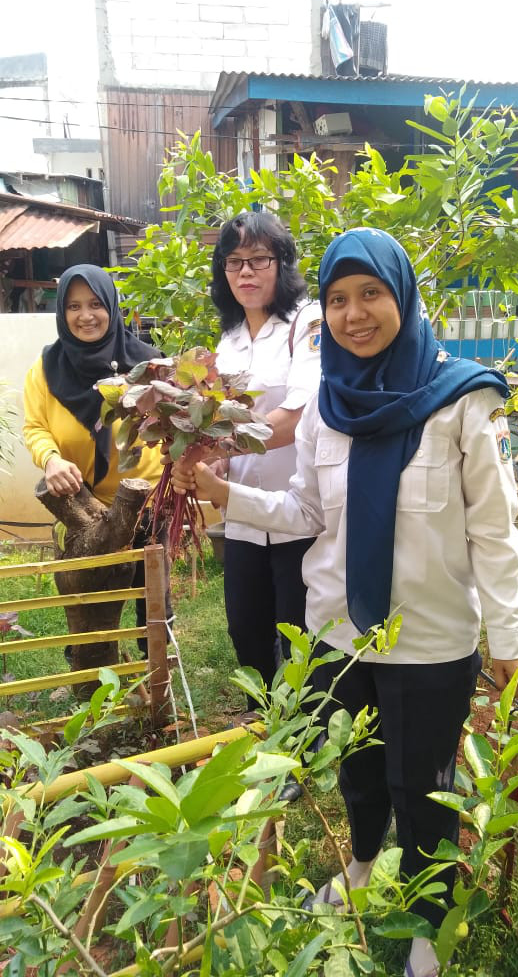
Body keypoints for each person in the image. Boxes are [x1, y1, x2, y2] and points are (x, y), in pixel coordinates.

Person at [172, 228, 518, 977]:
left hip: (431, 642)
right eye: (336, 299)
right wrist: (224, 493)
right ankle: (363, 865)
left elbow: (494, 535)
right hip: (337, 633)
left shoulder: (465, 401)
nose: (353, 313)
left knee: (424, 790)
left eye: (370, 293)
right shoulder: (325, 408)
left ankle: (427, 927)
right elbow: (307, 512)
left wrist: (511, 636)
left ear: (400, 295)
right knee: (360, 771)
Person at [178, 212, 321, 720]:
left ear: (281, 263)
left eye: (259, 259)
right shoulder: (229, 339)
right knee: (246, 627)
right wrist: (195, 460)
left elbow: (298, 417)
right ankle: (264, 726)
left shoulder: (307, 324)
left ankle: (306, 741)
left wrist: (223, 448)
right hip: (240, 517)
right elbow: (214, 421)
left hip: (295, 515)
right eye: (234, 262)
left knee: (298, 632)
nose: (246, 272)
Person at [23, 264, 172, 653]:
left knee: (153, 608)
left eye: (94, 304)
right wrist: (51, 459)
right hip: (80, 506)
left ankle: (157, 685)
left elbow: (172, 428)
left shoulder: (149, 365)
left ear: (111, 305)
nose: (85, 315)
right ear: (62, 313)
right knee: (86, 604)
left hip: (145, 503)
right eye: (73, 306)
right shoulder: (47, 368)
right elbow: (35, 426)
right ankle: (91, 683)